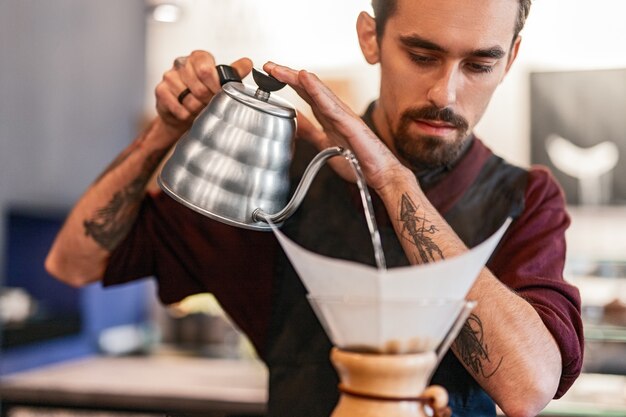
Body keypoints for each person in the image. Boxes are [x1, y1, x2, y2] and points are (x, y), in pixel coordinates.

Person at [45, 0, 584, 416]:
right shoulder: (282, 172)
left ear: (510, 58)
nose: (446, 92)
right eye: (422, 56)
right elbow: (73, 263)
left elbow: (527, 389)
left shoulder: (524, 199)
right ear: (371, 37)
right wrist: (164, 131)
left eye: (479, 64)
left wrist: (390, 178)